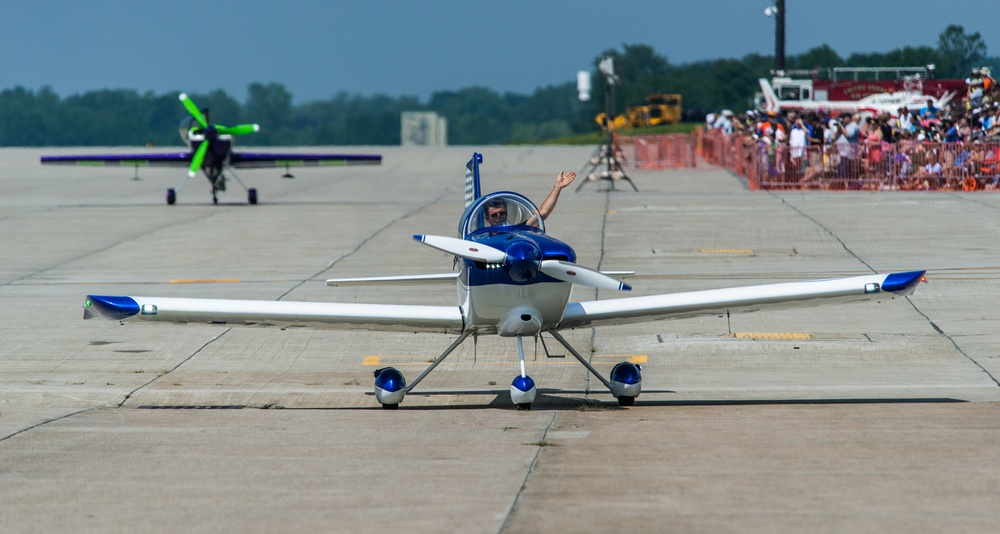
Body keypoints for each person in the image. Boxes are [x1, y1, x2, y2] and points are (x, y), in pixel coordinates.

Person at [483, 171, 577, 227]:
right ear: (487, 219)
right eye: (494, 215)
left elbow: (543, 213)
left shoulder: (518, 231)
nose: (499, 216)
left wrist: (557, 187)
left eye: (502, 213)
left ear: (507, 214)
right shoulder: (483, 237)